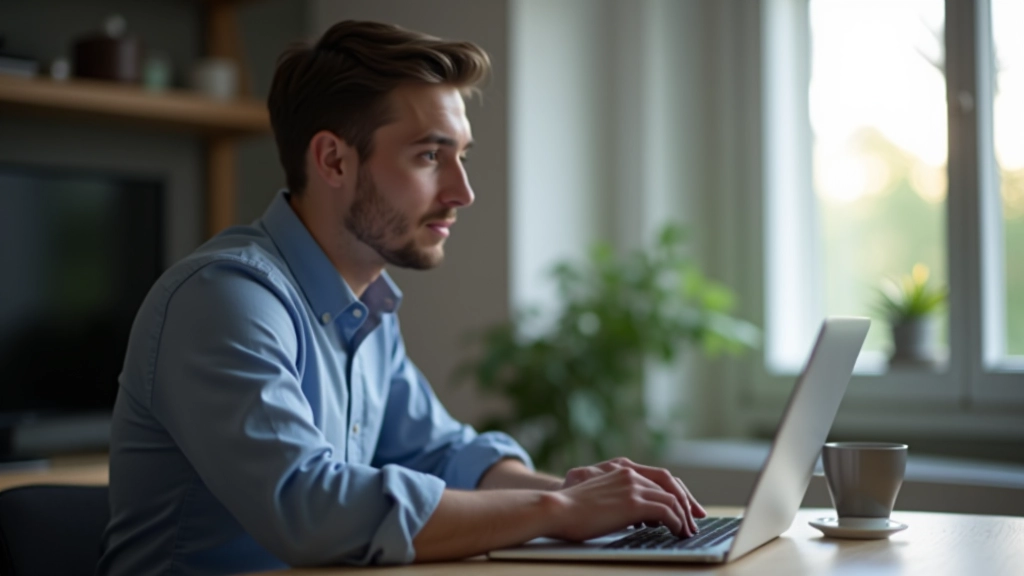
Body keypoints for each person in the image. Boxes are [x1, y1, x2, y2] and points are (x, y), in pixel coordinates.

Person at [96, 20, 705, 576]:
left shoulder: (366, 307)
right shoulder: (224, 300)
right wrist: (557, 508)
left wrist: (589, 501)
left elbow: (443, 455)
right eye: (429, 156)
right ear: (333, 159)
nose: (462, 191)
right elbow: (310, 510)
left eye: (461, 156)